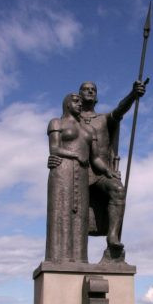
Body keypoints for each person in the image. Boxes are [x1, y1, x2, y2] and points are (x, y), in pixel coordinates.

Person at [45, 93, 115, 263]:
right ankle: (56, 260)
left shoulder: (89, 130)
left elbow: (95, 158)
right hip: (63, 170)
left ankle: (79, 260)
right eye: (75, 101)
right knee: (60, 212)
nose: (79, 104)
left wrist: (108, 171)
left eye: (80, 102)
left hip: (82, 175)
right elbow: (54, 149)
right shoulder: (56, 122)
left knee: (80, 216)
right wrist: (75, 155)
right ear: (67, 104)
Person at [78, 80, 146, 252]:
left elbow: (119, 110)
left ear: (96, 96)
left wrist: (133, 95)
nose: (90, 91)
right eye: (86, 89)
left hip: (101, 173)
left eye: (93, 89)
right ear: (79, 95)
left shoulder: (102, 119)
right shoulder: (71, 121)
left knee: (118, 190)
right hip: (77, 172)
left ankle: (113, 237)